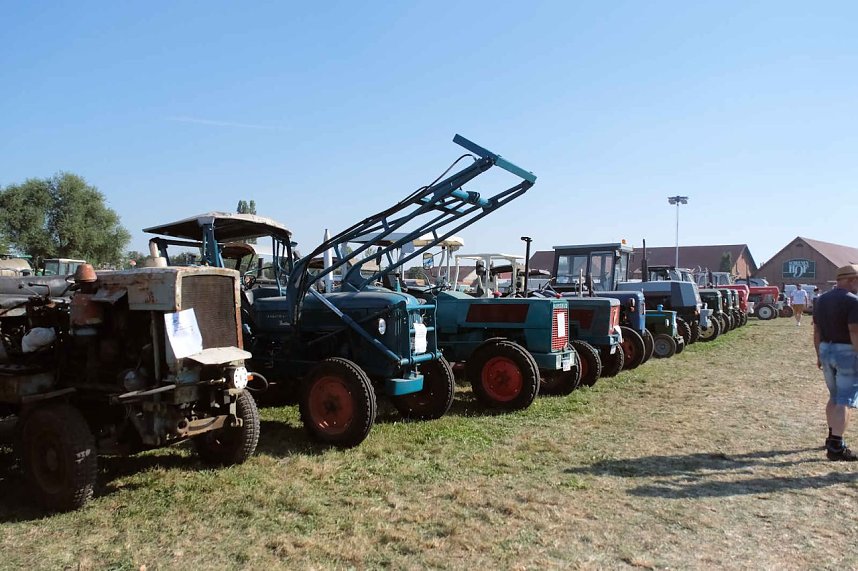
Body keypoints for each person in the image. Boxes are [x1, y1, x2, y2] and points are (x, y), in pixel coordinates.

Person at [813, 264, 858, 461]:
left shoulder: (821, 299)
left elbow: (816, 331)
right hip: (846, 351)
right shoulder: (853, 301)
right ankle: (836, 445)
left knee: (834, 396)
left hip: (825, 348)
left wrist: (818, 355)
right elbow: (854, 331)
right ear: (852, 280)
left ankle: (832, 437)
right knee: (845, 400)